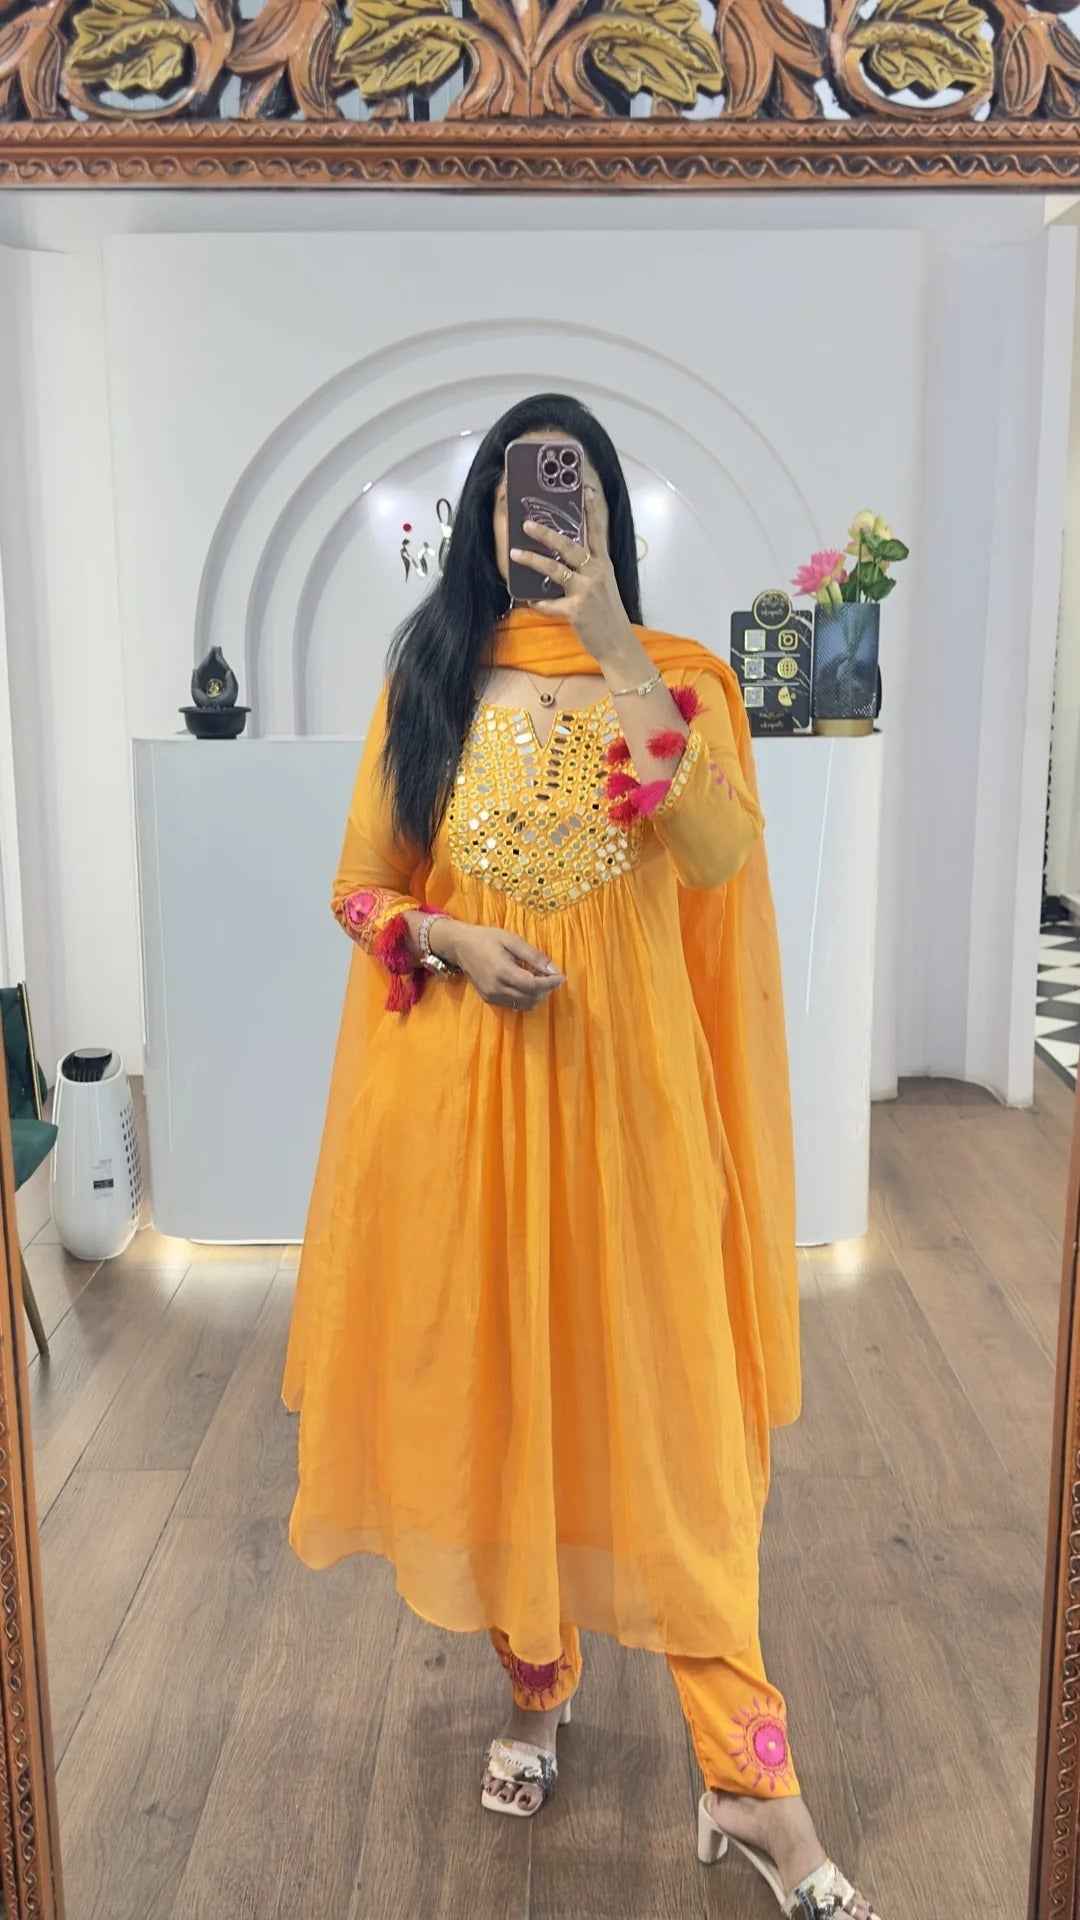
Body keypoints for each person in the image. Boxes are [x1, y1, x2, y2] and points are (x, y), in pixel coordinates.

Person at [281, 393, 881, 1920]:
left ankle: (751, 1782)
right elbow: (360, 890)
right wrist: (448, 936)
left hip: (636, 1113)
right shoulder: (428, 679)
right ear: (482, 520)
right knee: (506, 1403)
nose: (537, 519)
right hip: (465, 1117)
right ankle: (536, 1687)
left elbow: (719, 852)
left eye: (570, 495)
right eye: (513, 494)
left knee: (684, 1432)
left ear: (605, 516)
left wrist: (614, 641)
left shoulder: (674, 679)